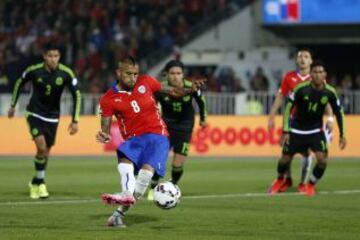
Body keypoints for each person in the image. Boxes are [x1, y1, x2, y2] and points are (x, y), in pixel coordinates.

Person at [96, 56, 204, 228]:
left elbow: (173, 92)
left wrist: (190, 90)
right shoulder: (108, 99)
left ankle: (120, 209)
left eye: (135, 73)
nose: (133, 78)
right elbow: (105, 126)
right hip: (134, 139)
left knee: (145, 176)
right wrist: (105, 135)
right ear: (118, 73)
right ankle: (120, 208)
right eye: (128, 74)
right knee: (125, 162)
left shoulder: (146, 81)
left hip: (158, 136)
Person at [8, 43, 81, 199]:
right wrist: (13, 105)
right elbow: (19, 83)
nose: (53, 59)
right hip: (34, 113)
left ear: (59, 57)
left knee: (45, 153)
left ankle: (35, 181)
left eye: (56, 56)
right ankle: (41, 183)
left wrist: (75, 120)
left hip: (53, 117)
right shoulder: (34, 71)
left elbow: (77, 95)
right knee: (41, 147)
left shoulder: (66, 73)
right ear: (44, 56)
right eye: (50, 56)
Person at [269, 60, 346, 197]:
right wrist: (286, 130)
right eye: (315, 72)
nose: (318, 75)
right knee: (284, 159)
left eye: (320, 72)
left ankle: (310, 184)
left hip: (315, 130)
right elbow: (288, 108)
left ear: (325, 75)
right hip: (296, 129)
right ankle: (280, 179)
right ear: (311, 74)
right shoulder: (300, 89)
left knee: (322, 159)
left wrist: (342, 134)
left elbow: (338, 112)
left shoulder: (330, 92)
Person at [147, 60, 208, 200]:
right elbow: (151, 105)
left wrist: (203, 118)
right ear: (166, 75)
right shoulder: (160, 88)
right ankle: (153, 187)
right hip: (166, 128)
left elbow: (201, 101)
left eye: (179, 73)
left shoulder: (191, 86)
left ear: (183, 74)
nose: (175, 76)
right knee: (159, 160)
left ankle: (172, 186)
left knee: (178, 164)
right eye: (172, 73)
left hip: (185, 128)